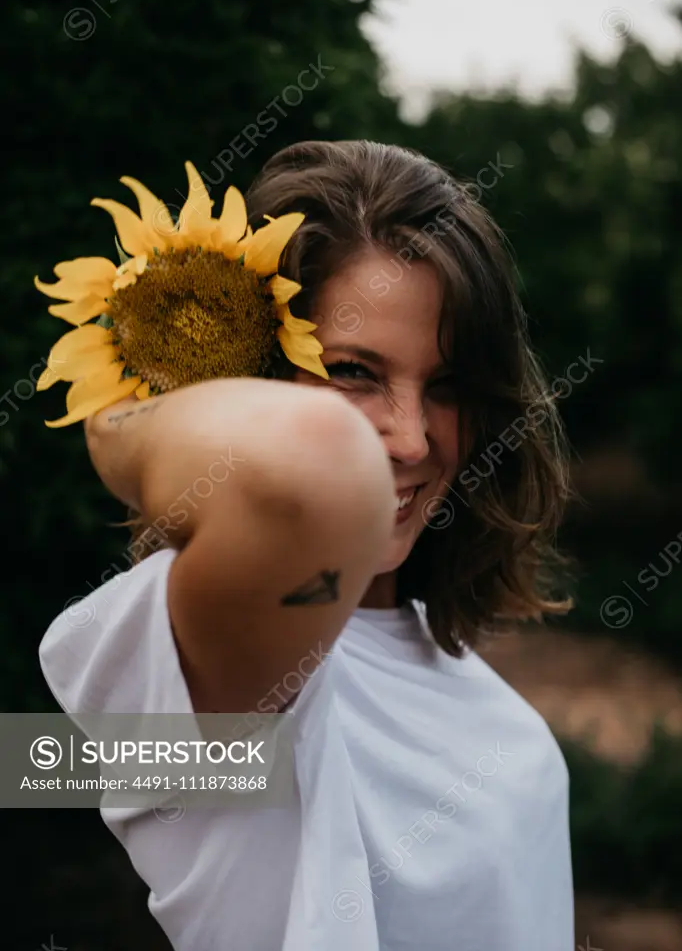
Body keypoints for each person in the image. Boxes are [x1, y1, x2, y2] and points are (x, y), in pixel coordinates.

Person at [38, 139, 575, 950]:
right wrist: (121, 398)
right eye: (355, 370)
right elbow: (316, 461)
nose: (409, 438)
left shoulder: (468, 685)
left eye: (448, 385)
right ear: (252, 371)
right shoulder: (204, 656)